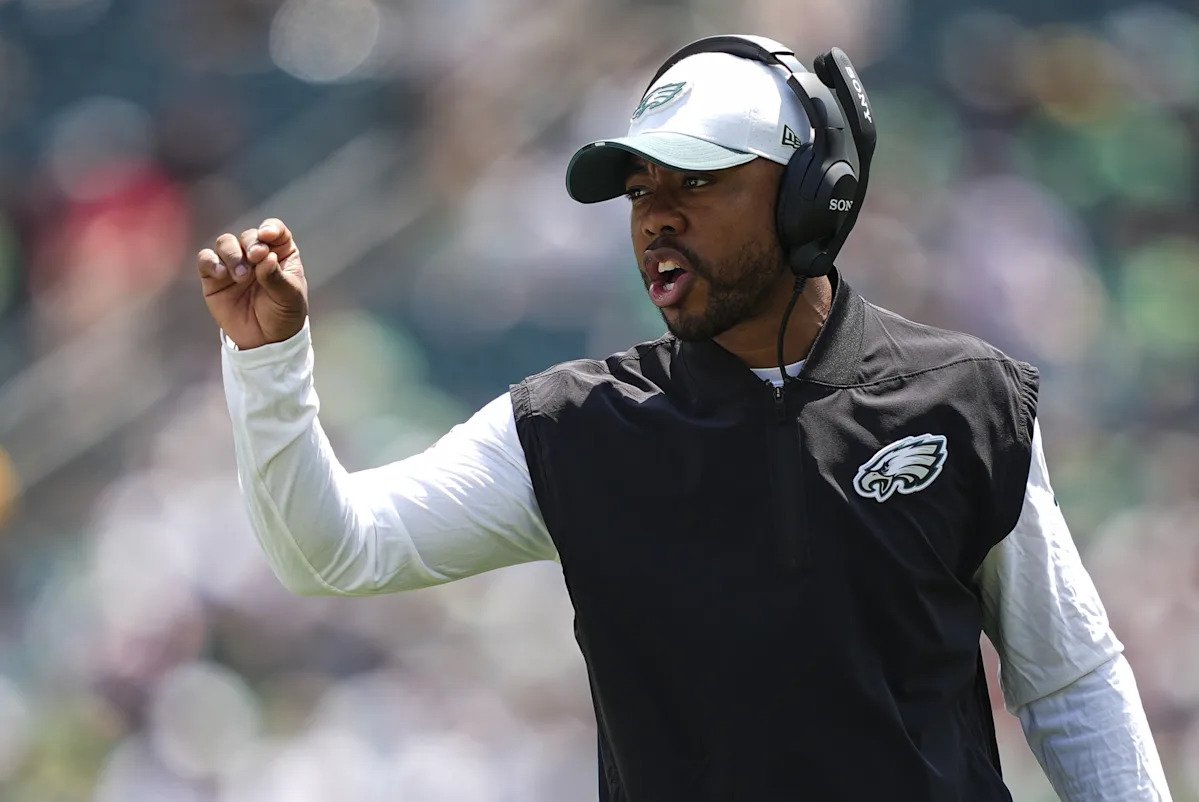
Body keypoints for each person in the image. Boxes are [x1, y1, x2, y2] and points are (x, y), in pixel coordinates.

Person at [197, 35, 1172, 802]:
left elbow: (1067, 679)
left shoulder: (964, 399)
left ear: (811, 192)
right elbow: (332, 550)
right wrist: (270, 361)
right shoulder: (572, 427)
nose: (656, 216)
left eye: (697, 181)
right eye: (639, 191)